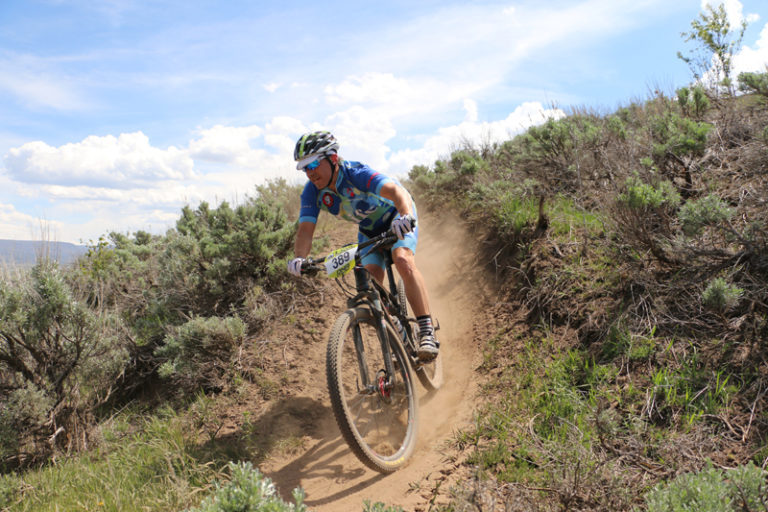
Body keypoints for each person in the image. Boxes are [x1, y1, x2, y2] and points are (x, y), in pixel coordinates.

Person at [286, 130, 439, 361]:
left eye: (314, 164)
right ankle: (397, 331)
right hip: (369, 230)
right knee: (370, 286)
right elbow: (305, 231)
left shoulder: (354, 173)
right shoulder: (311, 193)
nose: (310, 172)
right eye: (304, 168)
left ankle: (426, 330)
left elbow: (396, 192)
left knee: (402, 260)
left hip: (397, 215)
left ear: (333, 158)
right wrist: (299, 259)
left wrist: (405, 216)